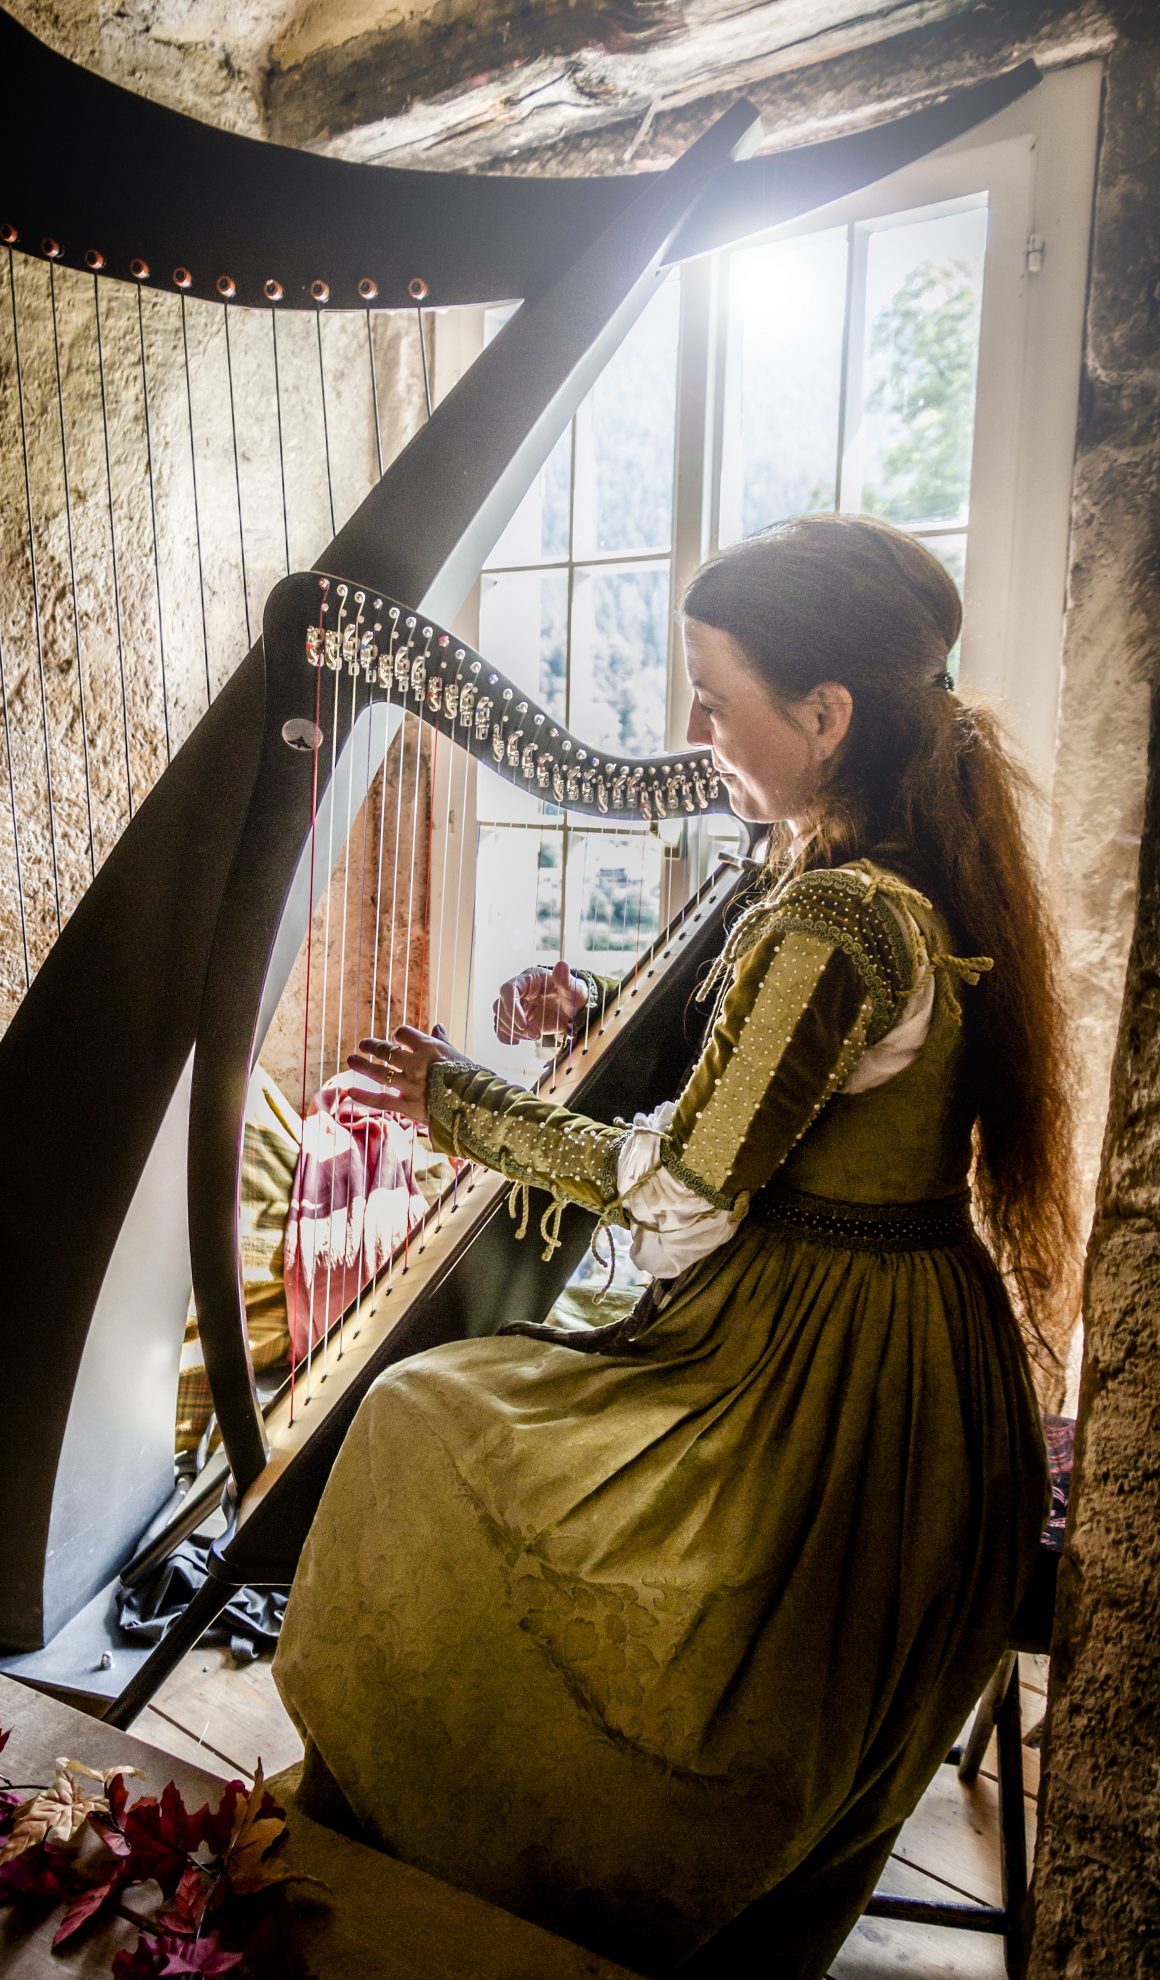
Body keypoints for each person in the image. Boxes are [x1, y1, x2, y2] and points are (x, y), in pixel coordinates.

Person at [272, 513, 1074, 1978]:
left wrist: (470, 1107)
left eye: (715, 693)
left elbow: (683, 1199)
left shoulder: (832, 916)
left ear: (825, 716)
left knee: (419, 1420)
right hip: (925, 1353)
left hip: (810, 1384)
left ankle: (518, 1863)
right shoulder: (913, 871)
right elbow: (789, 1112)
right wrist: (591, 1033)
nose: (689, 724)